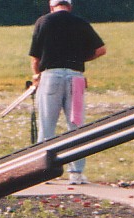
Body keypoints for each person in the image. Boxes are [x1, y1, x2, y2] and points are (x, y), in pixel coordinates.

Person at [29, 0, 106, 184]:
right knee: (76, 125)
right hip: (76, 77)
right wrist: (82, 58)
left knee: (47, 125)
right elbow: (101, 50)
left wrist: (36, 75)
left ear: (51, 6)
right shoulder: (80, 22)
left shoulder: (43, 22)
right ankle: (76, 173)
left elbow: (35, 56)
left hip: (51, 76)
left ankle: (42, 172)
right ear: (70, 6)